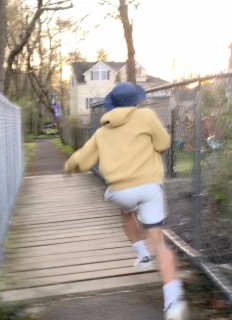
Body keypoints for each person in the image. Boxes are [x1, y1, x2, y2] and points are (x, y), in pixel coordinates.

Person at [63, 82, 190, 320]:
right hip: (149, 186)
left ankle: (141, 254)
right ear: (137, 101)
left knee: (126, 211)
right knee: (159, 243)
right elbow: (163, 144)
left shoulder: (101, 132)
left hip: (120, 190)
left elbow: (83, 159)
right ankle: (173, 302)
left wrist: (69, 165)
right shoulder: (146, 115)